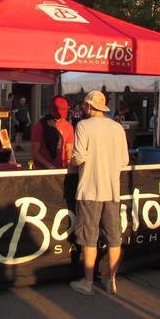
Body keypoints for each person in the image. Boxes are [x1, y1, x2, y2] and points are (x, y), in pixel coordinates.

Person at [68, 91, 129, 296]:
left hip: (89, 189)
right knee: (114, 237)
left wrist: (73, 161)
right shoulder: (117, 127)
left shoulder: (83, 126)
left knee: (89, 237)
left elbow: (78, 158)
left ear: (87, 106)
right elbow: (124, 161)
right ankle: (111, 280)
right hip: (112, 190)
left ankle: (88, 281)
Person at [31, 96, 75, 169]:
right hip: (43, 170)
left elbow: (68, 149)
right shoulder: (40, 125)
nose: (60, 112)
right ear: (51, 109)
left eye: (63, 109)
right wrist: (49, 166)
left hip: (61, 169)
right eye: (58, 109)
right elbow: (35, 152)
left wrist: (68, 161)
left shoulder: (68, 126)